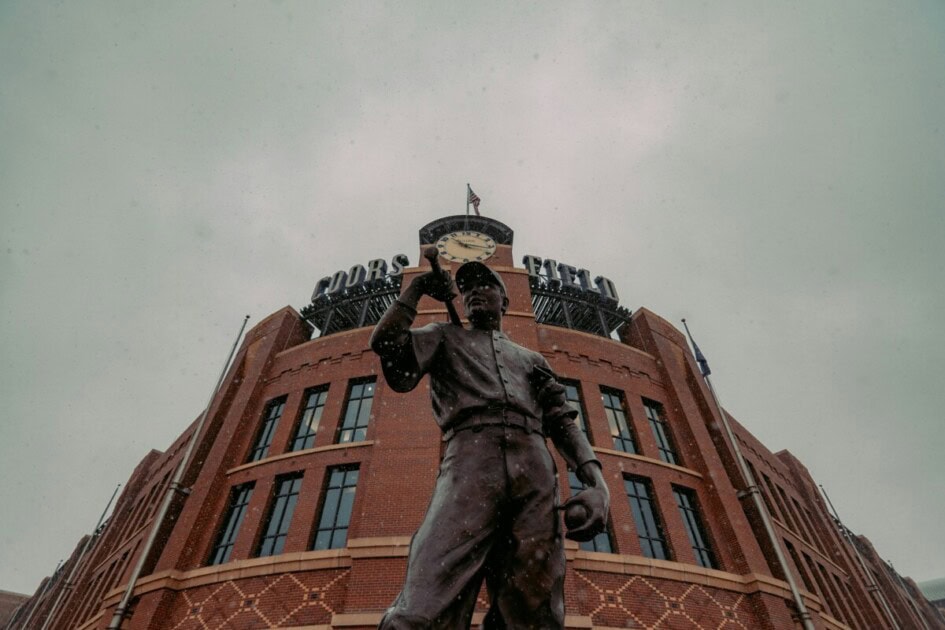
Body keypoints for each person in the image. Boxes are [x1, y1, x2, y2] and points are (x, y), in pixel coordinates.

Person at [370, 259, 610, 630]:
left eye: (486, 285)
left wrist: (596, 481)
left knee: (535, 607)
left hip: (534, 470)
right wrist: (416, 290)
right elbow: (386, 342)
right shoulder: (443, 336)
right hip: (470, 463)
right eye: (467, 289)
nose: (474, 292)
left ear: (504, 301)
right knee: (422, 603)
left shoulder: (531, 359)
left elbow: (562, 421)